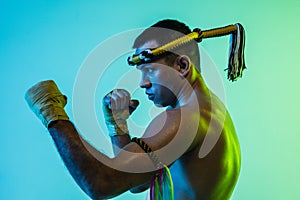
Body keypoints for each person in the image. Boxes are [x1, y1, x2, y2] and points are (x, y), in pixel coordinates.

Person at [25, 19, 241, 200]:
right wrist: (118, 126)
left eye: (149, 70)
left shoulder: (183, 120)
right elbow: (135, 182)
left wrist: (51, 113)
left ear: (182, 66)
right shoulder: (212, 110)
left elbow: (102, 184)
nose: (142, 83)